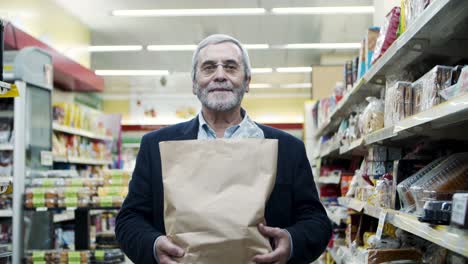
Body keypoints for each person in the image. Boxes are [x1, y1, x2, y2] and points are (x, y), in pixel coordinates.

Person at [115, 34, 331, 264]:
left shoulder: (288, 149)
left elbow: (316, 221)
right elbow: (130, 219)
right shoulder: (157, 146)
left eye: (230, 67)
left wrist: (291, 242)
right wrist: (154, 246)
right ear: (194, 84)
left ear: (247, 81)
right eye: (208, 68)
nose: (220, 75)